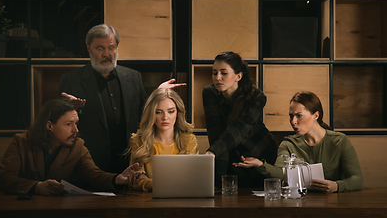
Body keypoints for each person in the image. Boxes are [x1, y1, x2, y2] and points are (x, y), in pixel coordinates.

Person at [59, 24, 185, 174]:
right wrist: (70, 109)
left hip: (130, 160)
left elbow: (144, 115)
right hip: (89, 164)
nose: (107, 54)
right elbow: (60, 126)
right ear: (88, 48)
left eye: (111, 48)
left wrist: (158, 93)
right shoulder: (72, 80)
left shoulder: (133, 77)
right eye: (100, 49)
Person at [0, 98, 145, 195]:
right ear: (49, 126)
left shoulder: (77, 147)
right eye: (68, 124)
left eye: (76, 123)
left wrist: (118, 179)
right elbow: (3, 178)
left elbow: (94, 175)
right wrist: (36, 186)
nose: (76, 130)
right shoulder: (22, 141)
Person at [233, 91, 363, 193]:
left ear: (316, 115)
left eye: (299, 115)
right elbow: (281, 173)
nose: (293, 121)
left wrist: (337, 186)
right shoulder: (288, 144)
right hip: (297, 204)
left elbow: (357, 179)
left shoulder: (340, 141)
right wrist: (260, 164)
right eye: (291, 115)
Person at [202, 51, 278, 188]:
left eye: (223, 73)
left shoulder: (256, 97)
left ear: (238, 76)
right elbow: (216, 133)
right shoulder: (210, 93)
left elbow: (238, 129)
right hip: (232, 157)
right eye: (214, 73)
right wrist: (217, 182)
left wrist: (212, 152)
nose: (218, 77)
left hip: (261, 154)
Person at [126, 88, 199, 191]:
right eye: (159, 112)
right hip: (149, 201)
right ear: (151, 113)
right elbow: (135, 181)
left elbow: (194, 178)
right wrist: (158, 185)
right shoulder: (139, 141)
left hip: (183, 198)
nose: (165, 117)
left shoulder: (189, 140)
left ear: (177, 113)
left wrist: (156, 183)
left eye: (171, 111)